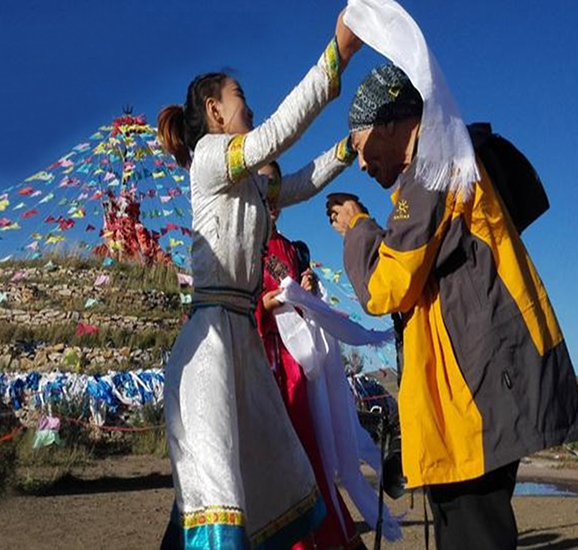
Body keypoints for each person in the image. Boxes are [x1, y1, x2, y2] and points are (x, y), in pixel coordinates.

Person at [327, 62, 578, 550]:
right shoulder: (447, 159)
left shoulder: (431, 165)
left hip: (474, 398)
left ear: (388, 123)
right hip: (478, 388)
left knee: (474, 535)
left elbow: (387, 288)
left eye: (361, 147)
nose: (362, 165)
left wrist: (359, 227)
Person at [156, 11, 362, 548]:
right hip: (210, 346)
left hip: (240, 343)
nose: (248, 103)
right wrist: (334, 54)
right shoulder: (208, 158)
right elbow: (275, 135)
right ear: (214, 111)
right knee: (217, 497)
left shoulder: (246, 186)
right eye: (239, 94)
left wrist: (347, 149)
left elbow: (297, 184)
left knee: (271, 476)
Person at [255, 162, 362, 550]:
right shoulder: (241, 249)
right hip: (263, 370)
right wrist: (262, 307)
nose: (270, 198)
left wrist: (309, 289)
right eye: (262, 185)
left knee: (311, 457)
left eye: (275, 189)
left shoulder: (293, 249)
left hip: (300, 367)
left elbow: (305, 305)